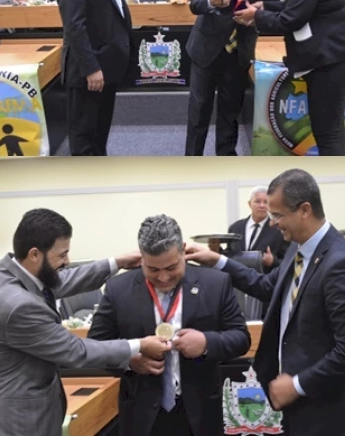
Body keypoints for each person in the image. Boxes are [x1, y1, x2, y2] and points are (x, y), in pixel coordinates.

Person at [0, 208, 172, 435]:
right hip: (17, 422)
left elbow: (61, 281)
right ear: (35, 254)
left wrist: (115, 263)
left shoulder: (9, 270)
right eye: (62, 255)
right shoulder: (17, 305)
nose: (67, 261)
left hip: (23, 410)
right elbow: (76, 351)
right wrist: (139, 345)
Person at [185, 168, 345, 435]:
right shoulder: (298, 247)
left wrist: (296, 385)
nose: (272, 223)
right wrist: (219, 261)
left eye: (278, 215)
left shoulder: (337, 263)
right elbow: (266, 286)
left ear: (305, 210)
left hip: (324, 409)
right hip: (293, 404)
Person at [89, 215, 250, 436]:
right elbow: (95, 345)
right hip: (141, 414)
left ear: (183, 252)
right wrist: (129, 359)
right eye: (153, 270)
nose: (163, 277)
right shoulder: (118, 289)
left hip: (201, 411)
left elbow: (241, 338)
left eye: (172, 267)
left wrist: (206, 342)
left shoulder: (215, 283)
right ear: (141, 258)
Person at [236, 0, 345, 155]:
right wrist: (266, 6)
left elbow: (289, 20)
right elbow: (297, 6)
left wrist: (257, 16)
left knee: (327, 132)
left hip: (326, 62)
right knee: (329, 127)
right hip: (331, 58)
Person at [185, 0, 280, 156]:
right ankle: (191, 160)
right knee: (199, 112)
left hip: (239, 52)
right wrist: (212, 1)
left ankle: (226, 160)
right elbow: (195, 3)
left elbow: (275, 8)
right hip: (207, 50)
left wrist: (258, 13)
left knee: (230, 113)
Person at [57, 0, 133, 156]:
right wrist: (91, 68)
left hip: (106, 68)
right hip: (88, 73)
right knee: (84, 137)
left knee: (100, 133)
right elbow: (74, 28)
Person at [225, 185, 288, 272]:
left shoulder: (279, 229)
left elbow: (288, 260)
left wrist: (273, 261)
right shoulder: (235, 228)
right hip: (236, 281)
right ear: (249, 204)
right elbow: (230, 254)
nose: (262, 205)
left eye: (266, 202)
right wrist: (217, 250)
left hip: (265, 281)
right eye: (257, 201)